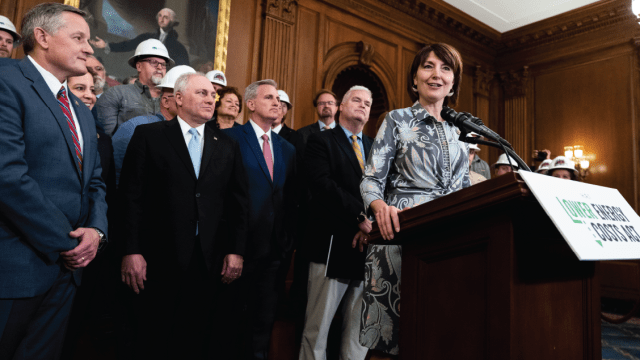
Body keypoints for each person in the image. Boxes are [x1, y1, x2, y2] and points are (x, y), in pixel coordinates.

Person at [0, 4, 108, 359]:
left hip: (67, 274)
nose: (89, 48)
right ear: (42, 37)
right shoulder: (6, 79)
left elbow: (95, 182)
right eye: (78, 37)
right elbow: (8, 177)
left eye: (89, 40)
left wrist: (96, 232)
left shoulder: (79, 108)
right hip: (16, 267)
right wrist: (68, 244)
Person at [118, 72, 248, 358]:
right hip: (156, 259)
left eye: (212, 95)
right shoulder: (149, 136)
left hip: (209, 261)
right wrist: (131, 251)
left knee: (196, 339)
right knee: (151, 338)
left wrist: (236, 251)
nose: (210, 99)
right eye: (202, 93)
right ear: (178, 98)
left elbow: (238, 203)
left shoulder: (227, 144)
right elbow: (130, 199)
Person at [359, 43, 470, 358]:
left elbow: (464, 187)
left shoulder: (461, 131)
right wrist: (379, 209)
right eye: (428, 66)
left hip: (450, 239)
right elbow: (370, 179)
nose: (437, 74)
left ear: (453, 82)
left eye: (446, 68)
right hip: (400, 234)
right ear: (414, 79)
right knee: (388, 338)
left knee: (437, 333)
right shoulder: (397, 120)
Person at [223, 79, 297, 360]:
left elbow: (290, 199)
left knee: (262, 326)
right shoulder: (230, 138)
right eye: (269, 98)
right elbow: (224, 197)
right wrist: (233, 247)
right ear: (251, 104)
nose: (276, 102)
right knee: (231, 324)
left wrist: (286, 242)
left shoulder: (287, 149)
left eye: (278, 98)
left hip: (274, 252)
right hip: (238, 250)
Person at [299, 86, 373, 360]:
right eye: (356, 100)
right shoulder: (322, 141)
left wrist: (371, 226)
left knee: (358, 333)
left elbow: (382, 191)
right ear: (341, 106)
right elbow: (322, 186)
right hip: (330, 244)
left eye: (367, 103)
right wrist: (360, 218)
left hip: (367, 247)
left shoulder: (374, 146)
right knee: (317, 330)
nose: (362, 106)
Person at [112, 65, 194, 186]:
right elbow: (117, 176)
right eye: (183, 96)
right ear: (166, 101)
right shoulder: (135, 127)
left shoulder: (194, 135)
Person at [95, 38, 173, 136]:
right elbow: (105, 139)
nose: (159, 67)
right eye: (153, 62)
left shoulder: (173, 100)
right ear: (139, 66)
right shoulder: (115, 94)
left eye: (163, 64)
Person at [90, 8, 189, 66]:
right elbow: (128, 45)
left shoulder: (179, 48)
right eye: (160, 16)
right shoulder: (147, 37)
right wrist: (106, 45)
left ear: (172, 21)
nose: (161, 19)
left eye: (166, 17)